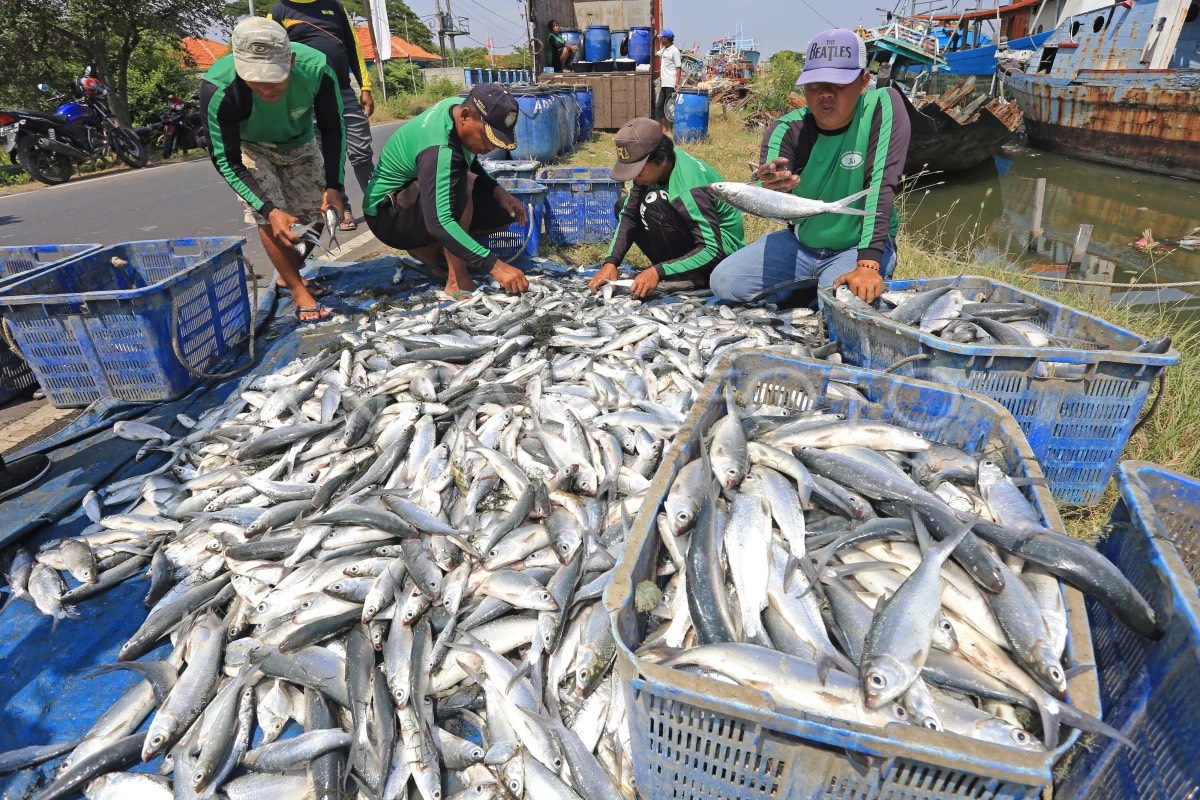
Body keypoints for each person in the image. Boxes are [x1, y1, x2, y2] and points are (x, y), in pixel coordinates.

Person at [709, 28, 910, 306]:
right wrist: (771, 185)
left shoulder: (882, 105)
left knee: (840, 305)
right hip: (802, 245)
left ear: (864, 82)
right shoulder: (786, 128)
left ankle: (818, 290)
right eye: (815, 85)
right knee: (724, 283)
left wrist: (868, 263)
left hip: (856, 247)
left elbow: (881, 184)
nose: (825, 94)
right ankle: (807, 288)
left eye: (838, 84)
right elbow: (773, 198)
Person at [202, 17, 347, 323]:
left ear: (291, 61)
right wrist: (268, 209)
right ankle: (298, 291)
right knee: (269, 215)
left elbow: (334, 128)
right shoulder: (219, 87)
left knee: (315, 211)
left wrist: (335, 185)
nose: (266, 88)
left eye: (274, 77)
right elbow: (226, 159)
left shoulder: (317, 69)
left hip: (300, 140)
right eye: (255, 79)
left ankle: (287, 273)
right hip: (250, 145)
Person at [362, 83, 529, 299]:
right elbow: (439, 223)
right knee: (462, 184)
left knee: (501, 210)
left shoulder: (456, 108)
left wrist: (498, 192)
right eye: (488, 138)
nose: (491, 147)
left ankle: (428, 251)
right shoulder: (438, 150)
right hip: (388, 215)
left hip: (412, 199)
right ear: (466, 117)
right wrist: (496, 267)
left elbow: (468, 161)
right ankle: (456, 280)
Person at [588, 118, 744, 299]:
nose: (635, 178)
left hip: (721, 257)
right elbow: (629, 216)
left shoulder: (689, 188)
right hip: (693, 238)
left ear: (661, 159)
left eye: (638, 171)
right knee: (624, 205)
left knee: (653, 204)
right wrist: (611, 263)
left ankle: (695, 277)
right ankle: (676, 270)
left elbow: (712, 249)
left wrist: (658, 271)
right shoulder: (655, 167)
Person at [268, 0, 376, 232]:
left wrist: (365, 87)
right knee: (326, 154)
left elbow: (353, 46)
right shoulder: (279, 11)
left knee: (361, 153)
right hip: (309, 94)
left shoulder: (334, 6)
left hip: (344, 91)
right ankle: (342, 208)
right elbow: (272, 56)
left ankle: (376, 204)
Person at [655, 29, 682, 134]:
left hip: (671, 83)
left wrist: (677, 82)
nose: (660, 39)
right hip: (664, 83)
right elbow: (655, 54)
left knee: (670, 108)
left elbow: (678, 67)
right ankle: (663, 128)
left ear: (666, 38)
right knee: (660, 107)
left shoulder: (674, 51)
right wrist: (654, 41)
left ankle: (671, 129)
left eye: (661, 37)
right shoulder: (664, 50)